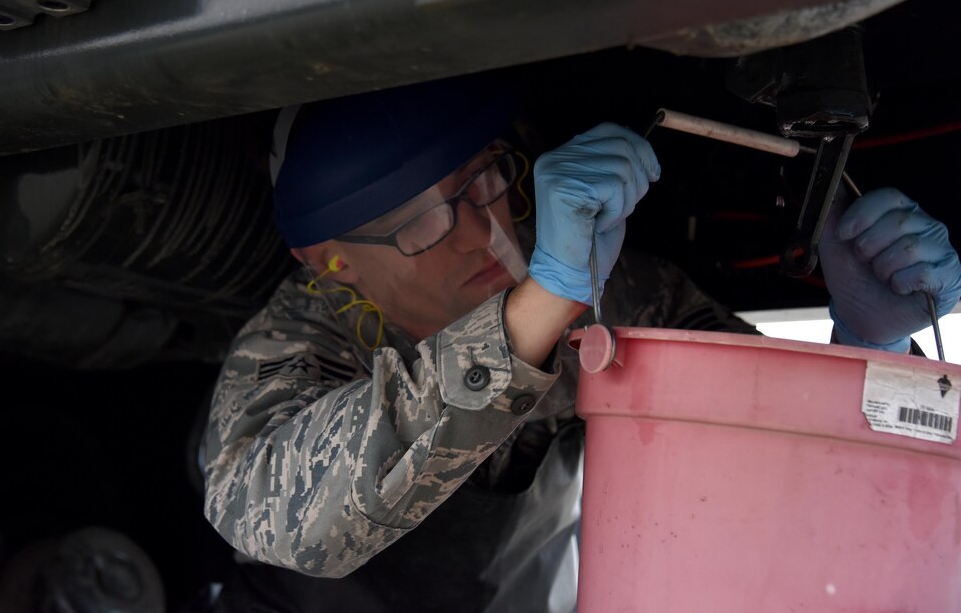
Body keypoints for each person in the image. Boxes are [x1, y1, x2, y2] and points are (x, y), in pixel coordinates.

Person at [202, 77, 961, 612]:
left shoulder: (613, 283)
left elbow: (770, 463)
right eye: (420, 222)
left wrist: (867, 354)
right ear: (332, 261)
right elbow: (274, 512)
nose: (479, 231)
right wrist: (543, 305)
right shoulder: (297, 344)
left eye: (484, 181)